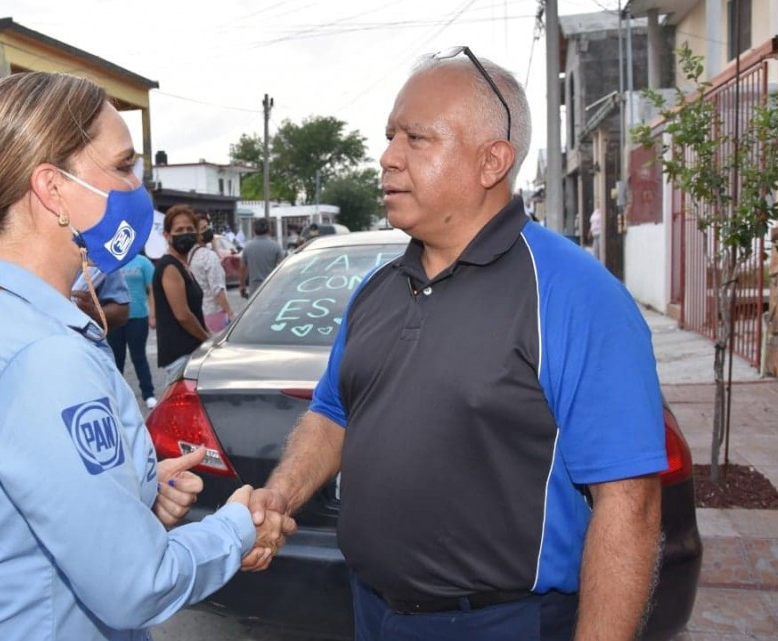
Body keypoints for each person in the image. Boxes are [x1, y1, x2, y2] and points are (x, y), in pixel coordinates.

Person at [245, 53, 665, 641]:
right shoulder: (377, 290)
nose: (389, 157)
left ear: (493, 161)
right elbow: (333, 414)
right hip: (371, 610)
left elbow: (629, 503)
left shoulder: (576, 296)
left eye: (416, 138)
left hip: (502, 623)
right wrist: (280, 496)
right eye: (390, 136)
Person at [0, 71, 289, 641]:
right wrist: (238, 528)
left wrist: (133, 488)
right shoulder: (40, 354)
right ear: (52, 187)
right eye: (122, 166)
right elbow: (136, 585)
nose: (138, 187)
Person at [153, 204, 211, 384]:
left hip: (190, 352)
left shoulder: (183, 266)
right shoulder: (170, 267)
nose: (185, 234)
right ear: (167, 235)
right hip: (180, 355)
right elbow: (183, 315)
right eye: (179, 230)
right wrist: (207, 340)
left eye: (189, 229)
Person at [106, 251, 157, 408]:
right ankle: (117, 397)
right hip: (114, 317)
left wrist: (153, 315)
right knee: (116, 359)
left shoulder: (142, 262)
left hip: (138, 316)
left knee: (139, 357)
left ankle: (148, 394)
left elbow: (152, 289)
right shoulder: (108, 261)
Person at [188, 212, 235, 333]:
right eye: (203, 228)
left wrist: (213, 244)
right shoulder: (209, 256)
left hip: (199, 312)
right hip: (214, 313)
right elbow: (217, 290)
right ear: (196, 234)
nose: (208, 230)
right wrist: (230, 312)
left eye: (208, 226)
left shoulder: (190, 254)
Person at [238, 217, 283, 299]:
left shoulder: (248, 247)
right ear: (269, 230)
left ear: (254, 231)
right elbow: (282, 268)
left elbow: (242, 268)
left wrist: (242, 285)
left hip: (254, 288)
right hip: (271, 286)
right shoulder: (276, 246)